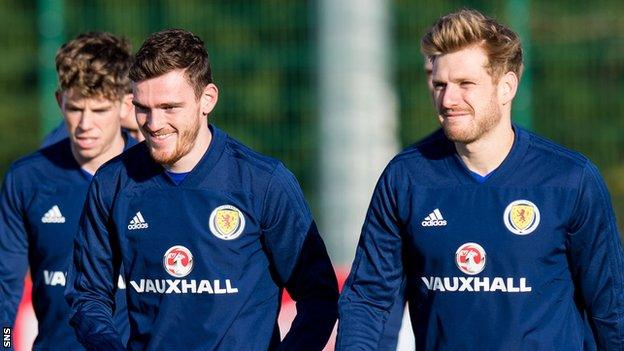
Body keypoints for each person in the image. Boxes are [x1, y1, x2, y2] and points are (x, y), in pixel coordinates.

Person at [337, 8, 624, 350]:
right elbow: (370, 300)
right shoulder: (407, 178)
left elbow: (610, 309)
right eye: (440, 84)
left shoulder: (569, 181)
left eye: (465, 84)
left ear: (506, 87)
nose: (447, 99)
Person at [65, 28, 339, 350]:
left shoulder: (263, 182)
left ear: (207, 99)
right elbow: (88, 295)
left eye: (169, 107)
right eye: (143, 108)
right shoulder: (113, 183)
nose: (153, 123)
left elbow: (319, 296)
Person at [0, 32, 135, 350]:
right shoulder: (27, 178)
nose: (85, 123)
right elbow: (5, 286)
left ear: (125, 106)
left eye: (99, 110)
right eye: (75, 109)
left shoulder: (152, 176)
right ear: (60, 101)